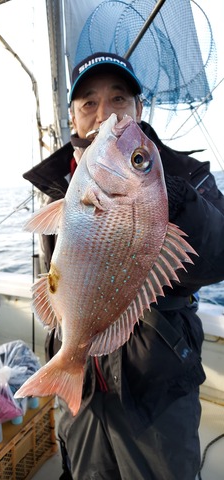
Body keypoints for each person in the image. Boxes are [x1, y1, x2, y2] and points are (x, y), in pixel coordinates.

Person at [23, 52, 224, 480]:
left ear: (138, 108)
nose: (104, 113)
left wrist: (168, 195)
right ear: (73, 117)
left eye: (119, 98)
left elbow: (219, 256)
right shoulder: (62, 184)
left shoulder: (184, 175)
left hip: (156, 394)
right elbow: (60, 276)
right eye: (88, 103)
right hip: (84, 397)